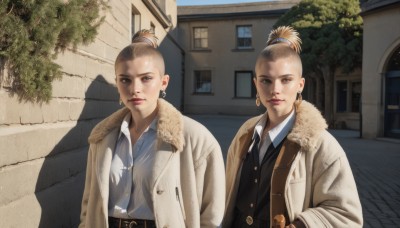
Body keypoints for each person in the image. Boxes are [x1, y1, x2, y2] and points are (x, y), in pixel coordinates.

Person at [79, 29, 225, 228]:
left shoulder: (196, 138)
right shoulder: (101, 137)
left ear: (163, 82)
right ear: (117, 83)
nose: (134, 89)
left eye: (146, 78)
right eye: (125, 79)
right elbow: (89, 203)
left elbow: (212, 215)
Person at [223, 26, 363, 228]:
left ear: (300, 84)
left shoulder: (321, 144)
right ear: (256, 84)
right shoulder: (245, 134)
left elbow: (347, 215)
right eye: (266, 80)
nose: (275, 90)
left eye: (286, 80)